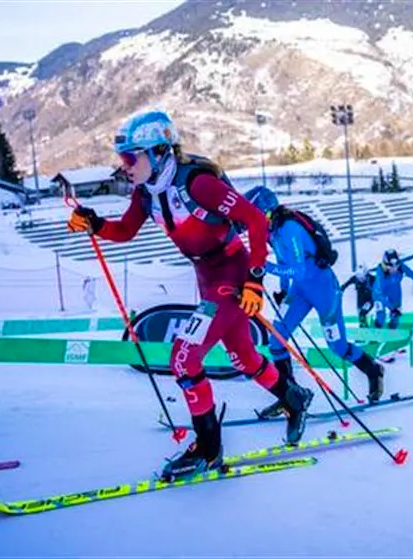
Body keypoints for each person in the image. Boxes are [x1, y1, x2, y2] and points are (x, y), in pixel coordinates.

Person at [66, 110, 313, 481]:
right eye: (122, 158)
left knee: (184, 356)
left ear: (160, 151)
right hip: (206, 275)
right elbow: (125, 231)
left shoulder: (197, 184)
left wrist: (255, 280)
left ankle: (208, 449)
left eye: (132, 157)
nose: (125, 165)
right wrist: (94, 223)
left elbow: (256, 221)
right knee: (244, 357)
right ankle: (295, 399)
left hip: (231, 273)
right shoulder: (147, 192)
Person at [243, 187, 386, 407]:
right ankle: (291, 397)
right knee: (276, 340)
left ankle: (373, 370)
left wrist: (264, 266)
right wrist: (282, 290)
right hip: (299, 291)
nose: (250, 224)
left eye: (252, 216)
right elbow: (284, 263)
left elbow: (298, 269)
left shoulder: (289, 228)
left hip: (324, 291)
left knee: (337, 347)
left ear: (264, 212)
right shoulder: (272, 232)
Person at [373, 249, 413, 329]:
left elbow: (410, 273)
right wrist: (391, 308)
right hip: (380, 294)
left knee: (396, 317)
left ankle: (393, 330)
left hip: (395, 291)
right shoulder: (380, 273)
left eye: (396, 266)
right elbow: (379, 294)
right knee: (381, 317)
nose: (394, 269)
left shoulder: (400, 267)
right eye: (391, 267)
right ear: (385, 266)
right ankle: (377, 327)